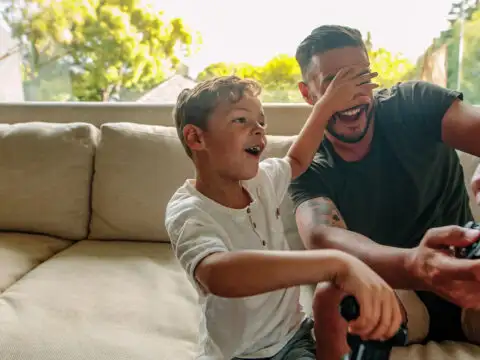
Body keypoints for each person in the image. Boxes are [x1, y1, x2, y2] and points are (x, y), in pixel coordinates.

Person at [164, 74, 404, 360]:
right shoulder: (189, 210)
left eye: (261, 122)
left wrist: (325, 106)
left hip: (292, 339)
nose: (259, 130)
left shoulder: (262, 181)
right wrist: (335, 263)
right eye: (241, 120)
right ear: (196, 137)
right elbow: (217, 275)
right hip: (235, 354)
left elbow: (297, 160)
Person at [289, 24, 480, 359]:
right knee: (331, 296)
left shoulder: (413, 104)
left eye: (360, 78)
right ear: (309, 95)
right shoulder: (305, 163)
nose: (352, 95)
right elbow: (322, 237)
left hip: (468, 269)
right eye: (334, 82)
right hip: (395, 290)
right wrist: (415, 265)